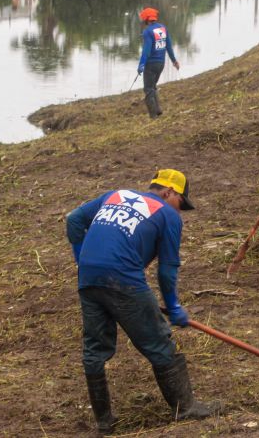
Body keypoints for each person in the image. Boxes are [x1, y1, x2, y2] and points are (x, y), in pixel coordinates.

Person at [66, 169, 216, 433]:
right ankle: (186, 407)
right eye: (181, 203)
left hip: (88, 278)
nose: (180, 211)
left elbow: (75, 220)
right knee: (159, 341)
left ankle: (103, 421)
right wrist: (173, 306)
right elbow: (167, 270)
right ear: (169, 192)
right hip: (123, 278)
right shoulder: (168, 215)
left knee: (94, 347)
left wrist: (82, 261)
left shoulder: (116, 194)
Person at [138, 7, 180, 119]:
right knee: (153, 86)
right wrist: (174, 61)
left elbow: (146, 51)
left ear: (146, 19)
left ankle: (153, 115)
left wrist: (141, 65)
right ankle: (158, 109)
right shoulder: (163, 28)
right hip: (161, 63)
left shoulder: (147, 31)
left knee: (148, 89)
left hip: (150, 64)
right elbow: (169, 46)